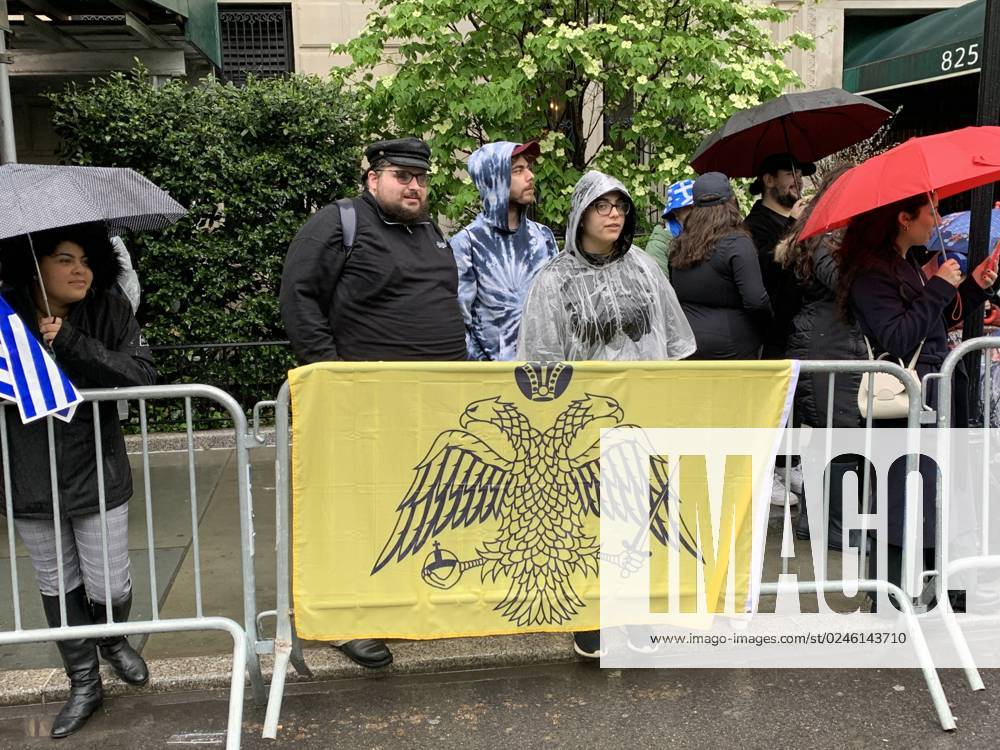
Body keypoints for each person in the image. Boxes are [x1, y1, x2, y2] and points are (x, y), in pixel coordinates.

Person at [279, 137, 466, 668]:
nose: (413, 186)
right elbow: (299, 299)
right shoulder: (337, 225)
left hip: (429, 409)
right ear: (373, 179)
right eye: (401, 175)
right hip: (361, 408)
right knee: (355, 513)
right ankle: (346, 619)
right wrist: (331, 376)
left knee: (412, 509)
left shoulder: (431, 231)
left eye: (421, 178)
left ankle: (400, 604)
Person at [517, 170, 696, 657]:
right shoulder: (553, 279)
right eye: (603, 205)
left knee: (637, 516)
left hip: (642, 415)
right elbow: (539, 354)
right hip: (582, 421)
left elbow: (676, 340)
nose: (614, 213)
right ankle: (590, 616)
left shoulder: (643, 266)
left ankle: (634, 611)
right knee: (587, 518)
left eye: (620, 205)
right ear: (581, 214)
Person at [0, 224, 156, 738]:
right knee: (57, 581)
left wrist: (69, 341)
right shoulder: (5, 316)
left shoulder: (109, 310)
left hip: (97, 471)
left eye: (86, 260)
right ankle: (84, 682)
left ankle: (112, 639)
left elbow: (140, 376)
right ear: (34, 264)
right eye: (64, 259)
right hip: (27, 478)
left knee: (108, 581)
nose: (79, 270)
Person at [835, 191, 998, 608]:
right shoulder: (871, 274)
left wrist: (973, 287)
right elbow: (900, 336)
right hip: (906, 406)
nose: (938, 220)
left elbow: (933, 322)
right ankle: (893, 597)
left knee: (934, 497)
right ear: (903, 218)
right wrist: (941, 284)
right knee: (905, 500)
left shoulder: (904, 264)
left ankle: (929, 591)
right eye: (932, 212)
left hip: (932, 398)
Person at [775, 163, 865, 545]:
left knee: (833, 437)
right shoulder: (825, 235)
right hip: (826, 343)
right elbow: (842, 284)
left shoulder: (825, 233)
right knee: (840, 436)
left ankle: (818, 521)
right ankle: (834, 527)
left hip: (829, 340)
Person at [451, 140, 558, 360]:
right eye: (518, 170)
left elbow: (559, 308)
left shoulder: (543, 237)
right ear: (494, 178)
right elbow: (459, 323)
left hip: (546, 375)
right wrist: (485, 373)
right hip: (492, 382)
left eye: (528, 168)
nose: (530, 176)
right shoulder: (467, 244)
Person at [669, 172, 772, 360]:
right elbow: (756, 300)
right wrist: (769, 328)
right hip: (733, 346)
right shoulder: (738, 243)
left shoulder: (679, 244)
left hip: (688, 343)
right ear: (732, 202)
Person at [644, 179, 694, 277]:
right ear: (676, 213)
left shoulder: (704, 233)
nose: (697, 212)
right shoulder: (658, 245)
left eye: (698, 206)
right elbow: (658, 287)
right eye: (689, 208)